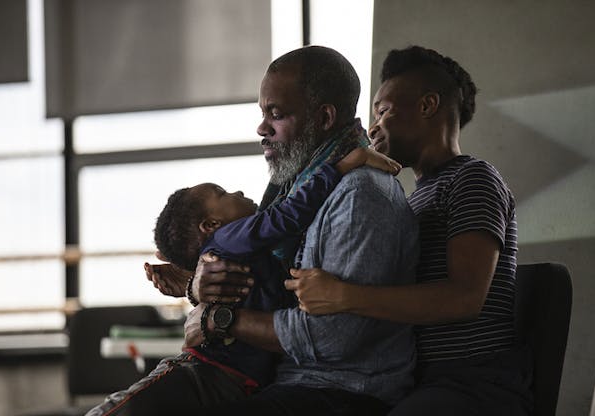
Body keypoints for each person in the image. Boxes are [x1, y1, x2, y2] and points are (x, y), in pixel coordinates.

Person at [282, 46, 533, 415]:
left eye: (383, 111)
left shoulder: (473, 178)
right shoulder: (414, 199)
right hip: (418, 382)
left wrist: (343, 295)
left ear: (428, 105)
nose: (372, 126)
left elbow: (464, 298)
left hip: (474, 383)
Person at [179, 46, 419, 415]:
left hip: (345, 392)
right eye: (263, 114)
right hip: (292, 380)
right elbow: (251, 261)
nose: (262, 129)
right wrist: (197, 283)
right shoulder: (292, 188)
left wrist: (220, 320)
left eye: (276, 114)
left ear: (324, 117)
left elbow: (335, 337)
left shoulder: (360, 196)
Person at [87, 143, 397, 416]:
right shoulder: (230, 237)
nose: (236, 192)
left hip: (236, 379)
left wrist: (190, 281)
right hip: (205, 372)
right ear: (212, 224)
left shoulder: (232, 247)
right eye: (222, 194)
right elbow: (287, 216)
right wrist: (341, 167)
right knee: (130, 408)